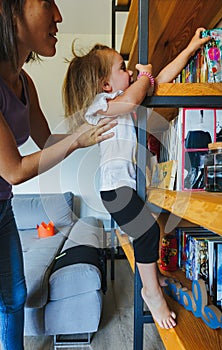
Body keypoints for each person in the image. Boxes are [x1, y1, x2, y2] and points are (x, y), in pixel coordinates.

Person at [62, 29, 210, 329]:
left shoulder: (129, 94)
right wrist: (144, 76)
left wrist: (191, 48)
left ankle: (152, 280)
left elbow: (163, 79)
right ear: (105, 84)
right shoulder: (100, 106)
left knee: (150, 232)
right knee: (147, 234)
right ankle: (151, 293)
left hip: (130, 184)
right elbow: (132, 100)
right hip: (114, 187)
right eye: (122, 68)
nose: (129, 71)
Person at [0, 1, 118, 349]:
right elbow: (15, 169)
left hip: (3, 207)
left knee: (14, 297)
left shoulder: (24, 82)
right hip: (8, 190)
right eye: (47, 2)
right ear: (9, 10)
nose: (59, 16)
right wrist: (78, 140)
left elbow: (49, 142)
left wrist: (94, 120)